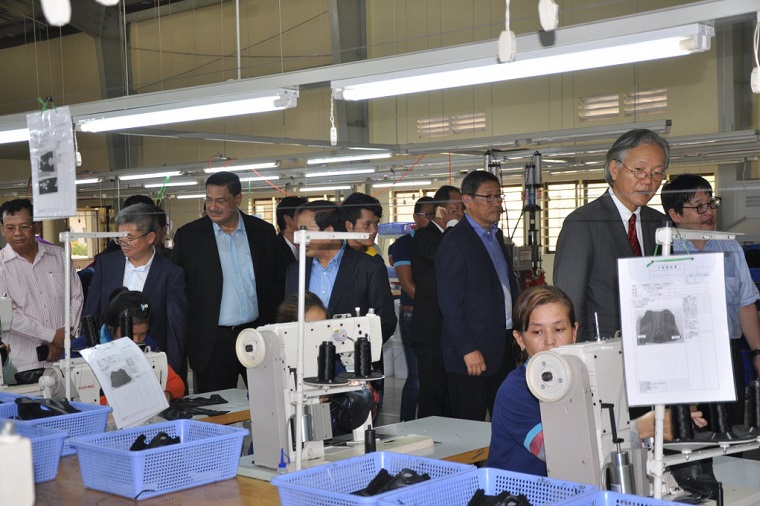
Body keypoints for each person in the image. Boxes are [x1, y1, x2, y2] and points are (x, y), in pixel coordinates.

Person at [488, 285, 707, 476]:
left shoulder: (588, 377)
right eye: (537, 332)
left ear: (574, 332)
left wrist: (674, 417)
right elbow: (565, 457)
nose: (550, 341)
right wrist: (643, 428)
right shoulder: (515, 392)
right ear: (520, 339)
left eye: (559, 329)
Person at [172, 171, 284, 393]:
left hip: (257, 334)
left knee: (268, 404)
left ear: (238, 200)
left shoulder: (262, 232)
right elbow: (180, 291)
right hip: (212, 342)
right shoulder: (189, 236)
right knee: (216, 411)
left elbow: (275, 283)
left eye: (220, 200)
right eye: (208, 199)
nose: (212, 207)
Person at [553, 128, 669, 341]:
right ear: (614, 169)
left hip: (653, 342)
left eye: (657, 173)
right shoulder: (583, 223)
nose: (648, 181)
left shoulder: (659, 223)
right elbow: (568, 303)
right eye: (639, 170)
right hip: (602, 348)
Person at [662, 174, 760, 425]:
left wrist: (758, 352)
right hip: (681, 359)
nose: (709, 212)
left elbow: (745, 305)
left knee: (732, 430)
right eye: (698, 207)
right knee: (691, 434)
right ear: (675, 215)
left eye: (711, 203)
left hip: (726, 356)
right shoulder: (665, 252)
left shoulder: (730, 248)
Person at [284, 200, 397, 405]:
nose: (298, 239)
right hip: (308, 375)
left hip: (356, 374)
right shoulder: (296, 271)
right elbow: (289, 321)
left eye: (304, 230)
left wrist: (355, 357)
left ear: (328, 232)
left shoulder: (368, 267)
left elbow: (385, 321)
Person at [437, 171, 519, 421]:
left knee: (504, 421)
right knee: (469, 428)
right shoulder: (456, 241)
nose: (496, 203)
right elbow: (450, 303)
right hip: (471, 353)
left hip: (502, 345)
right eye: (489, 197)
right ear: (467, 201)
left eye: (498, 196)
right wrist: (468, 349)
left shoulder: (495, 237)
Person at [83, 203, 188, 376]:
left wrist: (171, 373)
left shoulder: (171, 274)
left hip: (151, 361)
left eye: (129, 238)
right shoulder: (106, 264)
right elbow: (92, 313)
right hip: (109, 361)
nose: (123, 243)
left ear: (150, 237)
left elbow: (175, 330)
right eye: (120, 238)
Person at [0, 199, 84, 372]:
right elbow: (9, 316)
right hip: (22, 365)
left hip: (65, 359)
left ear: (36, 226)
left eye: (24, 226)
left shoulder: (60, 256)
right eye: (10, 228)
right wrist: (52, 336)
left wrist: (64, 338)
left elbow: (76, 297)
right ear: (2, 229)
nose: (17, 233)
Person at [411, 185, 463, 417]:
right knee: (432, 392)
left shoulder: (458, 235)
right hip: (430, 331)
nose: (461, 213)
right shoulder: (424, 236)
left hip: (450, 332)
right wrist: (452, 226)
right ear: (441, 211)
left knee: (452, 392)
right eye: (455, 208)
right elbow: (443, 257)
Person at [389, 196, 435, 421]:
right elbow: (408, 285)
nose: (431, 219)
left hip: (433, 312)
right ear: (415, 218)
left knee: (433, 375)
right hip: (413, 312)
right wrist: (438, 303)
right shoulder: (404, 244)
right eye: (427, 215)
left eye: (435, 214)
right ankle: (406, 423)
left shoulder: (441, 240)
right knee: (417, 376)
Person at [100, 288, 185, 403]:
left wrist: (166, 393)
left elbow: (177, 384)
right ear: (111, 328)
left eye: (142, 334)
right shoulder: (82, 349)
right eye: (131, 334)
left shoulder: (149, 345)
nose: (136, 340)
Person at [340, 192, 384, 262]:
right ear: (349, 226)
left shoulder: (374, 251)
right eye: (367, 225)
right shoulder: (336, 256)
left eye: (376, 224)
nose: (374, 230)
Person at [275, 196, 307, 266]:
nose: (308, 220)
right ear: (287, 218)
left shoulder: (310, 245)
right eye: (303, 215)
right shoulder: (273, 248)